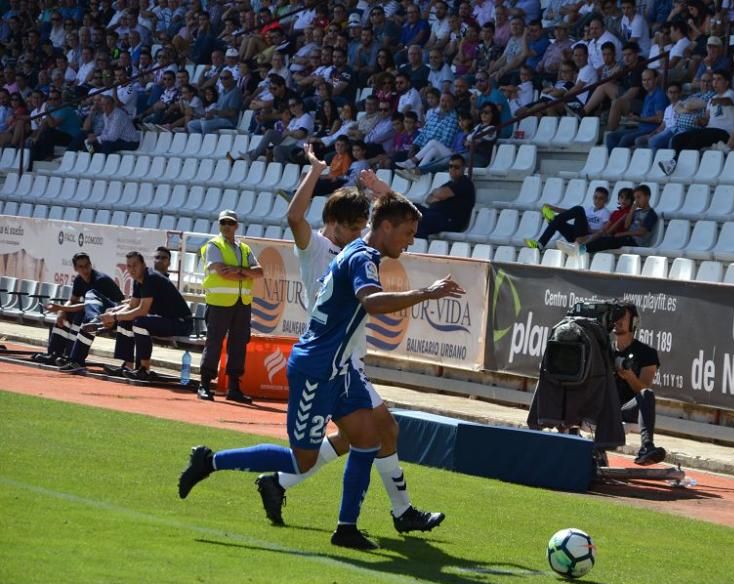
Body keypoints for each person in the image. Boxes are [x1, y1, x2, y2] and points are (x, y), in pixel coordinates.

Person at [178, 192, 465, 550]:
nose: (411, 240)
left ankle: (347, 528)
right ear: (387, 227)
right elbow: (372, 302)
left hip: (340, 369)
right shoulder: (362, 257)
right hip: (317, 370)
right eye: (407, 232)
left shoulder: (358, 252)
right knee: (302, 461)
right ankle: (210, 461)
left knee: (368, 440)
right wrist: (426, 293)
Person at [248, 144, 445, 531]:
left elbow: (395, 217)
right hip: (333, 357)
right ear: (334, 222)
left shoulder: (357, 249)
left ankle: (279, 482)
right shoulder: (319, 248)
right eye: (353, 226)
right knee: (381, 430)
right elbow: (294, 216)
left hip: (348, 353)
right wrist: (317, 171)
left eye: (361, 225)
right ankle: (399, 513)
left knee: (369, 434)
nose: (359, 232)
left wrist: (377, 188)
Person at [197, 210, 262, 403]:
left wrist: (238, 271)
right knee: (214, 343)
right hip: (219, 303)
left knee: (239, 345)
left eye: (230, 223)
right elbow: (222, 272)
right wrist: (245, 273)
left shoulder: (244, 248)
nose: (226, 226)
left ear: (236, 226)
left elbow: (259, 272)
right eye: (223, 222)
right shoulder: (213, 245)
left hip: (242, 303)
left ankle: (234, 387)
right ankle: (205, 384)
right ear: (219, 224)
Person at [102, 251, 193, 381]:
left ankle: (145, 370)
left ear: (143, 265)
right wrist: (113, 313)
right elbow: (132, 305)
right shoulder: (138, 280)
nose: (132, 269)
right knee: (125, 321)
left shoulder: (151, 278)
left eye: (135, 265)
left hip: (181, 323)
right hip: (166, 320)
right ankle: (127, 366)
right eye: (129, 266)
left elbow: (142, 310)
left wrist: (115, 317)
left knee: (139, 322)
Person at [31, 252, 124, 372]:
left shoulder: (100, 280)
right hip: (94, 315)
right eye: (81, 267)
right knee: (67, 315)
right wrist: (61, 311)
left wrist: (61, 308)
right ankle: (55, 353)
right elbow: (73, 301)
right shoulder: (79, 280)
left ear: (91, 265)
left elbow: (89, 306)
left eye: (87, 265)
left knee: (79, 315)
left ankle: (71, 357)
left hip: (112, 315)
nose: (85, 269)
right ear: (75, 268)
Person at [611, 302, 668, 466]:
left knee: (647, 394)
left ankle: (646, 447)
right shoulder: (604, 349)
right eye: (615, 317)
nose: (617, 321)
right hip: (603, 406)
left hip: (626, 410)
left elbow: (643, 388)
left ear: (634, 323)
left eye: (622, 317)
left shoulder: (646, 353)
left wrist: (629, 376)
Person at [560, 184, 657, 255]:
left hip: (634, 242)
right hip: (626, 238)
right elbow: (627, 225)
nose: (637, 200)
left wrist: (622, 234)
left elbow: (641, 232)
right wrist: (632, 210)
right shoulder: (636, 212)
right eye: (635, 198)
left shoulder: (651, 214)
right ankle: (577, 247)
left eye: (639, 197)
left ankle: (579, 249)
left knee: (606, 240)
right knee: (603, 237)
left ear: (647, 197)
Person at [526, 186, 610, 250]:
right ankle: (540, 245)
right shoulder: (589, 209)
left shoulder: (605, 213)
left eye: (601, 198)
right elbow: (569, 212)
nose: (597, 200)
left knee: (578, 209)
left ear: (606, 200)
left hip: (586, 237)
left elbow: (604, 232)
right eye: (595, 197)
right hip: (574, 235)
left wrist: (590, 229)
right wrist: (554, 208)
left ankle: (553, 220)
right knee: (560, 220)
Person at [414, 154, 476, 238]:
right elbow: (428, 199)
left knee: (422, 221)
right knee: (409, 208)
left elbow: (440, 194)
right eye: (450, 166)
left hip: (449, 220)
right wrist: (438, 194)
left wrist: (438, 194)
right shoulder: (450, 184)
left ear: (463, 168)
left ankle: (417, 245)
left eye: (456, 167)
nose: (453, 169)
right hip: (434, 213)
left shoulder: (465, 183)